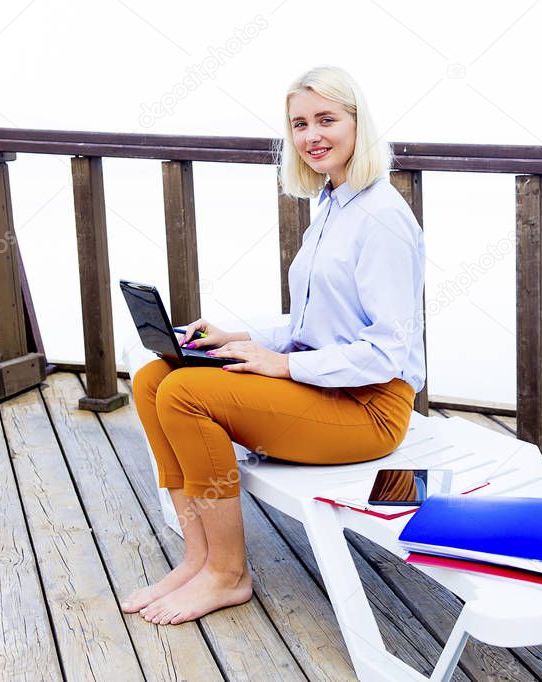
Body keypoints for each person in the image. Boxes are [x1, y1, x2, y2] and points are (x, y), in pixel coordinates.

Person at [123, 65, 426, 626]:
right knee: (153, 379)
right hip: (325, 388)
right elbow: (314, 321)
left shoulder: (381, 218)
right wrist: (237, 337)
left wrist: (282, 366)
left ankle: (228, 574)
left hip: (370, 407)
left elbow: (386, 351)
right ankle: (198, 557)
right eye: (300, 124)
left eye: (326, 119)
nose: (312, 136)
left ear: (358, 123)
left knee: (187, 392)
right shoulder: (334, 204)